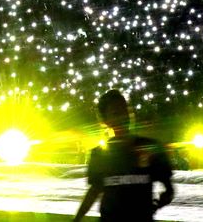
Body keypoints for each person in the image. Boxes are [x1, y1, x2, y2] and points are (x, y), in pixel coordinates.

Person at [74, 89, 174, 222]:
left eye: (125, 110)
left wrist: (156, 205)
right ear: (105, 120)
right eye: (116, 113)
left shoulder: (151, 147)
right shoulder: (99, 154)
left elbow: (169, 189)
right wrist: (77, 218)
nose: (123, 116)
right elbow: (94, 190)